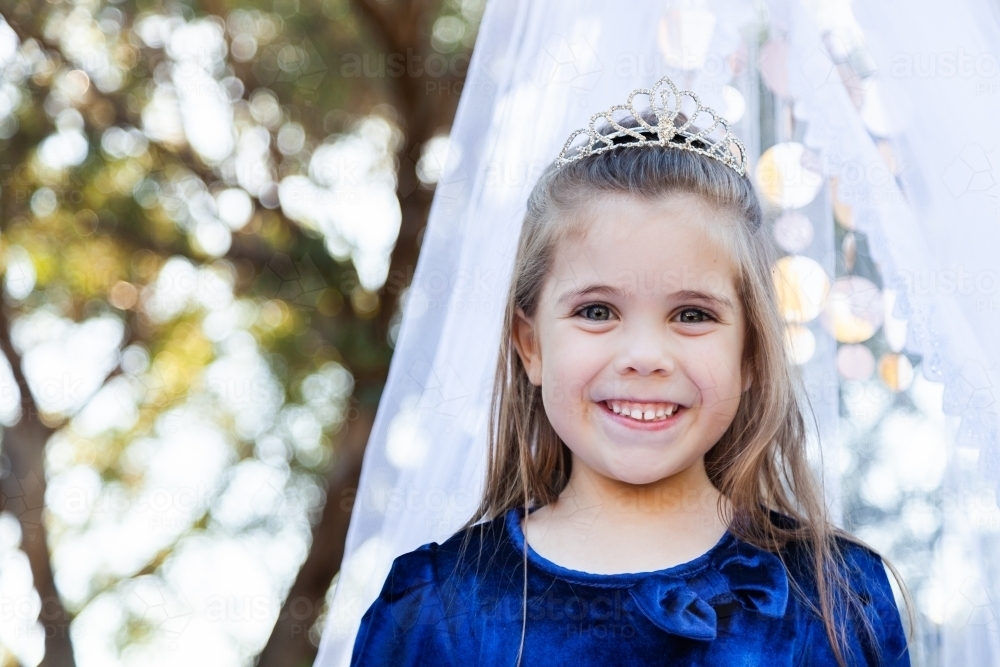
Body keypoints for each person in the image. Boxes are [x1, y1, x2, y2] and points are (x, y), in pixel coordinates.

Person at [348, 76, 916, 667]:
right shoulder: (436, 611)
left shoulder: (838, 599)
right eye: (597, 311)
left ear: (749, 354)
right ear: (530, 345)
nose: (645, 354)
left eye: (692, 314)